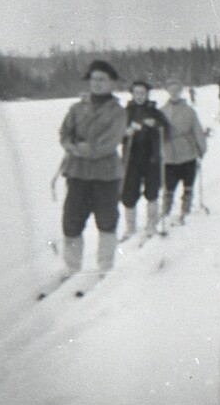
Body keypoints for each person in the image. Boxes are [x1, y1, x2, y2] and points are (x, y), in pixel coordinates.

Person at [58, 59, 128, 279]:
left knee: (106, 220)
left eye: (102, 79)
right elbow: (64, 134)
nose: (97, 84)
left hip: (106, 175)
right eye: (94, 79)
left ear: (111, 83)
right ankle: (72, 267)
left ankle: (105, 267)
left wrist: (77, 147)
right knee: (71, 221)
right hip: (77, 173)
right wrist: (77, 146)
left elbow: (106, 146)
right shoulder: (77, 108)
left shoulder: (117, 112)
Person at [121, 79, 171, 240]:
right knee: (129, 193)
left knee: (152, 191)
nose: (139, 96)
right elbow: (116, 134)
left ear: (147, 94)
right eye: (136, 93)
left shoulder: (154, 111)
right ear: (132, 94)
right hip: (131, 159)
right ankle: (130, 228)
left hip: (152, 158)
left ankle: (152, 225)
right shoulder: (126, 112)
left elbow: (166, 129)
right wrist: (125, 133)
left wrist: (156, 124)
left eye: (142, 93)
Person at [160, 82, 209, 225]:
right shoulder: (162, 111)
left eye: (177, 90)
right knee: (169, 185)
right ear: (167, 90)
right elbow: (157, 133)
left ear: (181, 91)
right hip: (169, 154)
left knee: (188, 183)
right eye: (171, 89)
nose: (174, 92)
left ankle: (186, 209)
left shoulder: (189, 111)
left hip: (188, 152)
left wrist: (201, 148)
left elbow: (197, 130)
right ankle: (166, 210)